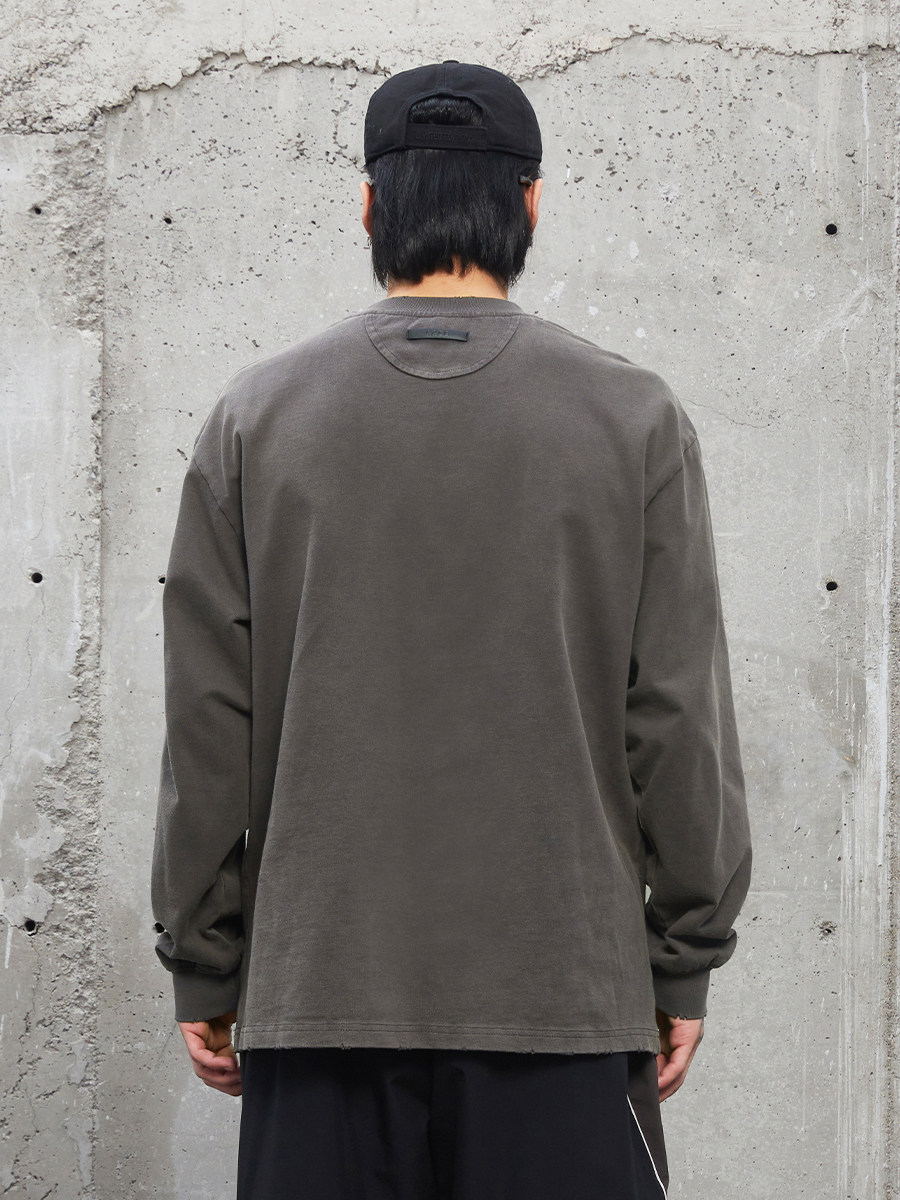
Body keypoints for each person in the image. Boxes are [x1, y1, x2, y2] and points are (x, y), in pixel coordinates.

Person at [151, 60, 753, 1199]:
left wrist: (205, 958)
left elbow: (207, 723)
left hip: (320, 999)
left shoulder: (255, 419)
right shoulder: (634, 419)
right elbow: (677, 716)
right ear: (531, 202)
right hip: (564, 1004)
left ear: (370, 204)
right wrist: (684, 958)